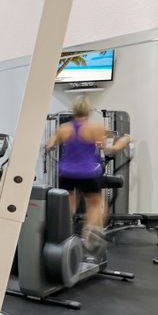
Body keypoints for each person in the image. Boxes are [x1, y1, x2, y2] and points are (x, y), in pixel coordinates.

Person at [44, 97, 130, 253]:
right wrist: (126, 139)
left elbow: (49, 146)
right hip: (88, 173)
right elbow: (111, 149)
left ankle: (64, 236)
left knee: (69, 206)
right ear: (88, 111)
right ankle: (90, 233)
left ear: (73, 110)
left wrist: (53, 146)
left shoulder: (63, 128)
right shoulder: (95, 128)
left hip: (67, 173)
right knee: (96, 204)